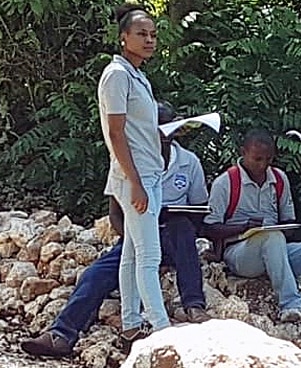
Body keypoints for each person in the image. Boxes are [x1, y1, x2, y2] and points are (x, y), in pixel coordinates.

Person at [21, 101, 212, 357]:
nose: (161, 135)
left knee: (181, 228)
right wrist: (137, 240)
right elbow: (115, 214)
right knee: (95, 275)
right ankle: (61, 335)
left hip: (174, 238)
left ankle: (194, 305)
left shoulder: (189, 162)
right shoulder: (125, 160)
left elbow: (199, 211)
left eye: (167, 129)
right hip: (135, 237)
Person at [202, 129, 301, 345]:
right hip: (240, 254)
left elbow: (289, 222)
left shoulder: (279, 179)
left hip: (275, 249)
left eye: (268, 159)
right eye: (257, 159)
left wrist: (278, 227)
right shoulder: (226, 182)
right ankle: (290, 304)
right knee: (272, 237)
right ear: (243, 153)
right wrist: (244, 227)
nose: (262, 165)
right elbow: (210, 228)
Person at [98, 3, 168, 346]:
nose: (149, 40)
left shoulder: (138, 75)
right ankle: (161, 329)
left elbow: (140, 129)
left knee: (133, 253)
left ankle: (130, 322)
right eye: (142, 34)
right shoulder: (117, 75)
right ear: (123, 37)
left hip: (149, 174)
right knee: (150, 256)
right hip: (134, 178)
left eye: (153, 34)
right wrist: (136, 182)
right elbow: (115, 133)